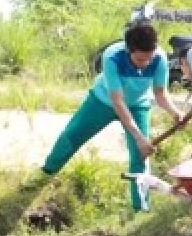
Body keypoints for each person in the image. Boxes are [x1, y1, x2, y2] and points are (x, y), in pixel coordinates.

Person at [41, 22, 183, 212]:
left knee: (140, 156)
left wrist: (175, 112)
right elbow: (118, 102)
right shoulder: (112, 56)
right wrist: (139, 136)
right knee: (71, 136)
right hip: (102, 101)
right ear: (128, 49)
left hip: (138, 104)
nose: (145, 64)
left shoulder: (159, 58)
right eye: (140, 60)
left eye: (149, 59)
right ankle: (45, 173)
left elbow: (160, 93)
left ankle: (140, 207)